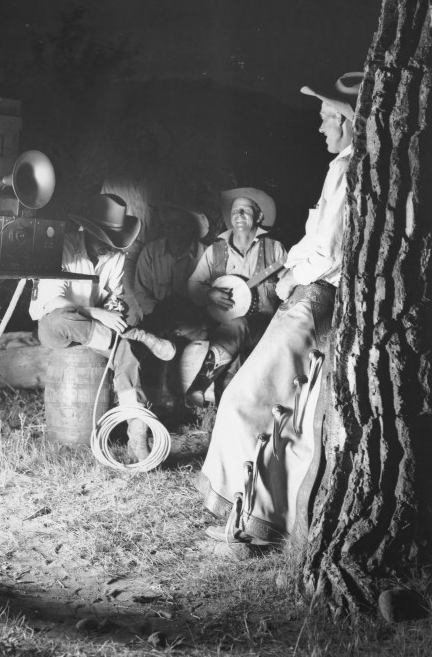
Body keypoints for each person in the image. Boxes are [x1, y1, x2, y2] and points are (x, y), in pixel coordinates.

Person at [196, 72, 361, 555]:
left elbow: (328, 250)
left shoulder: (347, 170)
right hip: (314, 295)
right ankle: (259, 519)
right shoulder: (347, 168)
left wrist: (291, 276)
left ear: (349, 123)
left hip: (314, 296)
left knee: (252, 399)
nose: (321, 129)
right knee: (289, 412)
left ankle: (246, 521)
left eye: (328, 118)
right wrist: (290, 267)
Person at [29, 193, 176, 461]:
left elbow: (113, 296)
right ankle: (137, 337)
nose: (108, 247)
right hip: (58, 327)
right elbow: (53, 302)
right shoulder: (63, 248)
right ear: (87, 229)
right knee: (64, 319)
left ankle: (137, 433)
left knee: (127, 353)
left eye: (114, 242)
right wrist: (99, 313)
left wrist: (113, 309)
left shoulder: (115, 257)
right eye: (103, 239)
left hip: (95, 331)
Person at [184, 189, 287, 407]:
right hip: (223, 332)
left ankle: (199, 386)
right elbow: (193, 285)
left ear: (258, 217)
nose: (239, 215)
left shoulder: (274, 249)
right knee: (229, 374)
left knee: (239, 329)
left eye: (246, 211)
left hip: (265, 330)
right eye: (235, 211)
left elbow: (290, 284)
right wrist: (208, 293)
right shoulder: (216, 251)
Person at [132, 203, 208, 335]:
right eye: (169, 223)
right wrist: (163, 319)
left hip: (193, 325)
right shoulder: (150, 251)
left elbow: (211, 301)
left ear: (191, 227)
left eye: (180, 224)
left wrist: (194, 325)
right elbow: (142, 293)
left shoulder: (206, 255)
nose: (173, 229)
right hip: (158, 320)